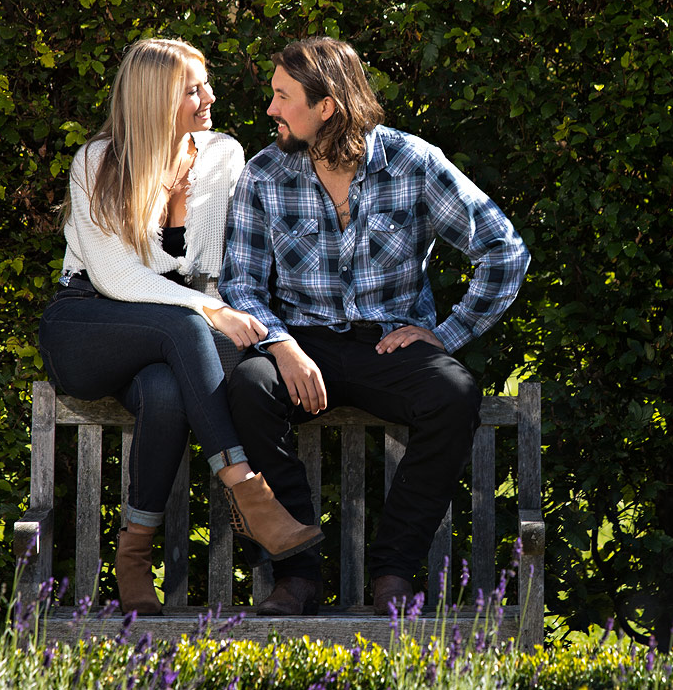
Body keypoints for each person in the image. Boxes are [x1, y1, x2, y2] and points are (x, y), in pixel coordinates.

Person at [220, 36, 530, 616]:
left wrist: (448, 333)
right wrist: (281, 344)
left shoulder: (412, 162)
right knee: (249, 386)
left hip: (388, 344)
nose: (270, 110)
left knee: (453, 392)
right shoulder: (264, 174)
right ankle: (298, 572)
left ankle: (393, 570)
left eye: (283, 97)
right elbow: (240, 285)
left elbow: (503, 249)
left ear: (327, 107)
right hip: (302, 345)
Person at [37, 38, 323, 616]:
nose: (209, 97)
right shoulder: (98, 162)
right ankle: (249, 492)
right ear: (155, 98)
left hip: (169, 332)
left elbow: (210, 271)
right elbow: (117, 274)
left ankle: (134, 553)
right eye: (193, 89)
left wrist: (177, 220)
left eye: (205, 83)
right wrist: (208, 309)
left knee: (168, 390)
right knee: (188, 325)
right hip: (87, 321)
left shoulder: (222, 155)